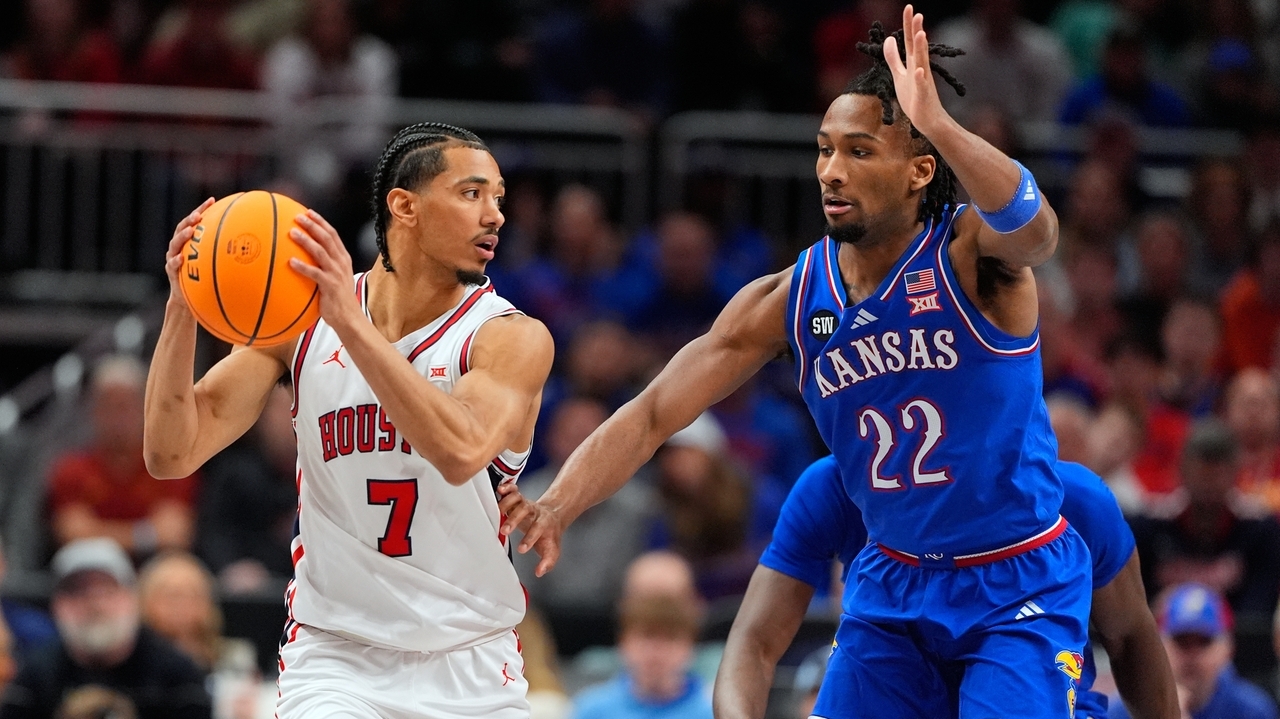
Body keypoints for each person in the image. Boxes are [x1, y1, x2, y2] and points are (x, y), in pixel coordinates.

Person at [510, 9, 1093, 717]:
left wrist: (937, 121)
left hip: (1014, 577)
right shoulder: (791, 295)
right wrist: (560, 503)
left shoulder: (972, 258)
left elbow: (1038, 230)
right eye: (823, 150)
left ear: (918, 170)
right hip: (892, 581)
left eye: (857, 151)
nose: (831, 171)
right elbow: (656, 410)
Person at [143, 123, 554, 718]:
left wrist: (350, 322)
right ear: (404, 206)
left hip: (471, 662)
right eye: (472, 194)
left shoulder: (509, 339)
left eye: (498, 198)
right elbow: (171, 453)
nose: (494, 215)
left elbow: (461, 450)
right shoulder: (299, 320)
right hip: (338, 657)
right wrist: (184, 304)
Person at [712, 456, 1179, 719]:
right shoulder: (832, 487)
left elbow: (1133, 638)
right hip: (898, 681)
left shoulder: (1070, 498)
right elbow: (753, 641)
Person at [0, 538, 210, 719]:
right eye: (77, 592)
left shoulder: (177, 675)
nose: (94, 605)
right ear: (57, 605)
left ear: (131, 597)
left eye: (106, 590)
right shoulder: (35, 676)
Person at [48, 355, 197, 558]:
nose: (118, 418)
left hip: (153, 566)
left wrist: (98, 532)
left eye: (126, 406)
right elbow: (73, 535)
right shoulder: (71, 469)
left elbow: (174, 534)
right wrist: (148, 534)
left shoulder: (172, 465)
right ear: (93, 411)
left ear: (146, 409)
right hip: (93, 567)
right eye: (109, 407)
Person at [1129, 419, 1280, 617]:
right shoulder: (1149, 525)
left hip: (1235, 642)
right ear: (1182, 470)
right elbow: (1134, 608)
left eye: (1217, 476)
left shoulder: (1260, 530)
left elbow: (1257, 615)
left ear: (1235, 473)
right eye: (1202, 475)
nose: (1209, 486)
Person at [1111, 583, 1277, 719]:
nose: (1192, 655)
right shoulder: (1125, 708)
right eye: (1181, 641)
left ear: (1228, 648)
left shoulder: (1254, 711)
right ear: (1157, 646)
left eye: (1204, 642)